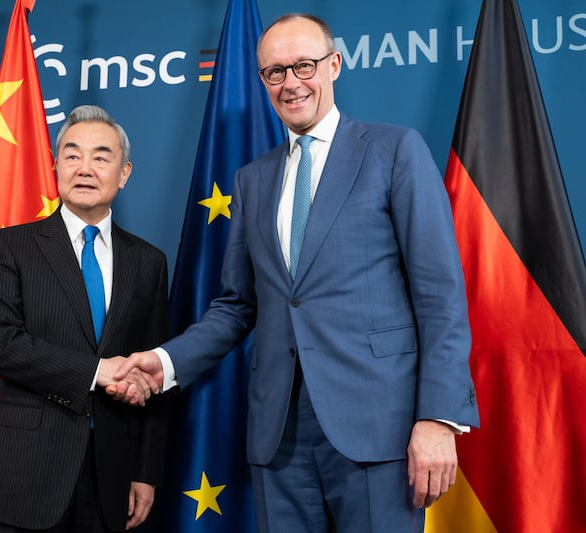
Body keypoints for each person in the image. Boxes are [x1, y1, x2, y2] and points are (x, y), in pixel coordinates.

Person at [112, 13, 479, 533]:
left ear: (333, 65)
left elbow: (439, 295)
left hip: (380, 428)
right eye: (274, 72)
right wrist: (164, 363)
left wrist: (438, 418)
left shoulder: (394, 151)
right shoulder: (252, 180)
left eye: (303, 66)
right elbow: (238, 305)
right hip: (278, 436)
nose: (291, 83)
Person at [0, 105, 169, 533]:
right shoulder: (12, 247)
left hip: (111, 475)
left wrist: (146, 470)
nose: (85, 168)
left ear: (124, 172)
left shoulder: (148, 262)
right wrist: (98, 371)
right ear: (56, 165)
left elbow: (156, 374)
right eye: (72, 155)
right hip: (25, 472)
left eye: (101, 157)